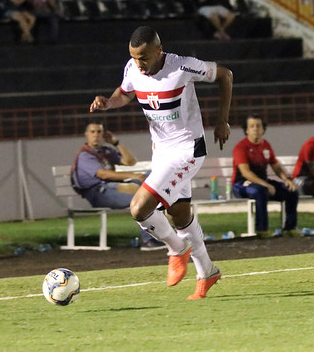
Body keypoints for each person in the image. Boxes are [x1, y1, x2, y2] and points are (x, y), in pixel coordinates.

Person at [89, 25, 232, 299]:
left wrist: (222, 120)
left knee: (139, 207)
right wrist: (108, 102)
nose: (139, 64)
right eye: (134, 57)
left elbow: (226, 75)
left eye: (144, 57)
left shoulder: (183, 67)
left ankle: (177, 249)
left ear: (159, 50)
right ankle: (207, 272)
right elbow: (125, 93)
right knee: (180, 215)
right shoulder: (133, 68)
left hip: (188, 150)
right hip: (162, 153)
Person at [70, 120, 163, 249]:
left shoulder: (105, 151)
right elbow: (103, 174)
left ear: (104, 134)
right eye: (92, 132)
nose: (96, 135)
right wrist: (134, 175)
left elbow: (130, 161)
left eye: (99, 132)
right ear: (86, 134)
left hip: (112, 188)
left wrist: (116, 142)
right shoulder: (85, 155)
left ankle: (164, 213)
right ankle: (149, 240)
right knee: (141, 202)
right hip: (99, 193)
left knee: (151, 175)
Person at [232, 115, 300, 239]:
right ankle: (262, 230)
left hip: (263, 183)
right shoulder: (241, 147)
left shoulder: (266, 145)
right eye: (252, 126)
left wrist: (286, 180)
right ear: (246, 130)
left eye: (258, 126)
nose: (255, 129)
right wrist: (266, 185)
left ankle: (290, 228)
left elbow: (276, 166)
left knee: (291, 191)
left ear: (263, 129)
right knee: (260, 191)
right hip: (242, 184)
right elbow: (246, 172)